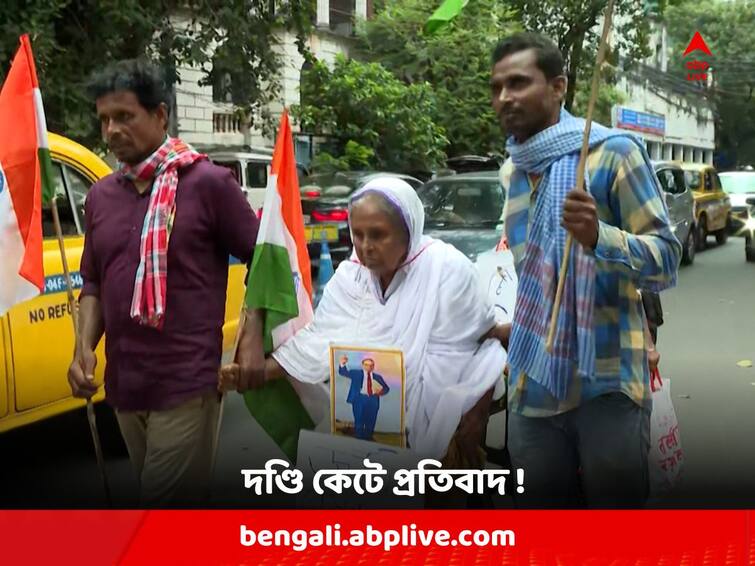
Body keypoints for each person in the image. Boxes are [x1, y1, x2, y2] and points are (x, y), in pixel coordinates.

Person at [490, 33, 681, 507]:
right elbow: (532, 274)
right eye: (496, 87)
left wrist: (601, 237)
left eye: (518, 82)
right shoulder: (512, 171)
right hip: (533, 385)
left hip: (607, 383)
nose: (504, 97)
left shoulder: (615, 153)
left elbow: (666, 259)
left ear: (558, 87)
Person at [66, 59, 263, 506]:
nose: (111, 130)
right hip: (125, 384)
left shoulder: (209, 183)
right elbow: (94, 281)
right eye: (104, 120)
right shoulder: (100, 196)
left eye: (124, 116)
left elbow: (265, 258)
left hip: (187, 379)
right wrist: (82, 352)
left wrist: (251, 336)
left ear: (159, 116)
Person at [221, 177, 508, 464]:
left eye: (378, 234)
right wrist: (256, 373)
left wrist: (475, 417)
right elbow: (320, 341)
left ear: (408, 231)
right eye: (357, 234)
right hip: (366, 437)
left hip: (441, 430)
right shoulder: (351, 277)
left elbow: (477, 349)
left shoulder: (448, 270)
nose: (365, 246)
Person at [338, 356, 390, 440]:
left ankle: (368, 439)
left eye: (371, 365)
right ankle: (359, 439)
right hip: (359, 399)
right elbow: (343, 372)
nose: (369, 367)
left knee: (371, 421)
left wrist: (380, 392)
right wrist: (342, 363)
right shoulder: (356, 373)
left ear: (373, 366)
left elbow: (386, 388)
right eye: (366, 365)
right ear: (362, 365)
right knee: (359, 420)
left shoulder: (378, 377)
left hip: (373, 400)